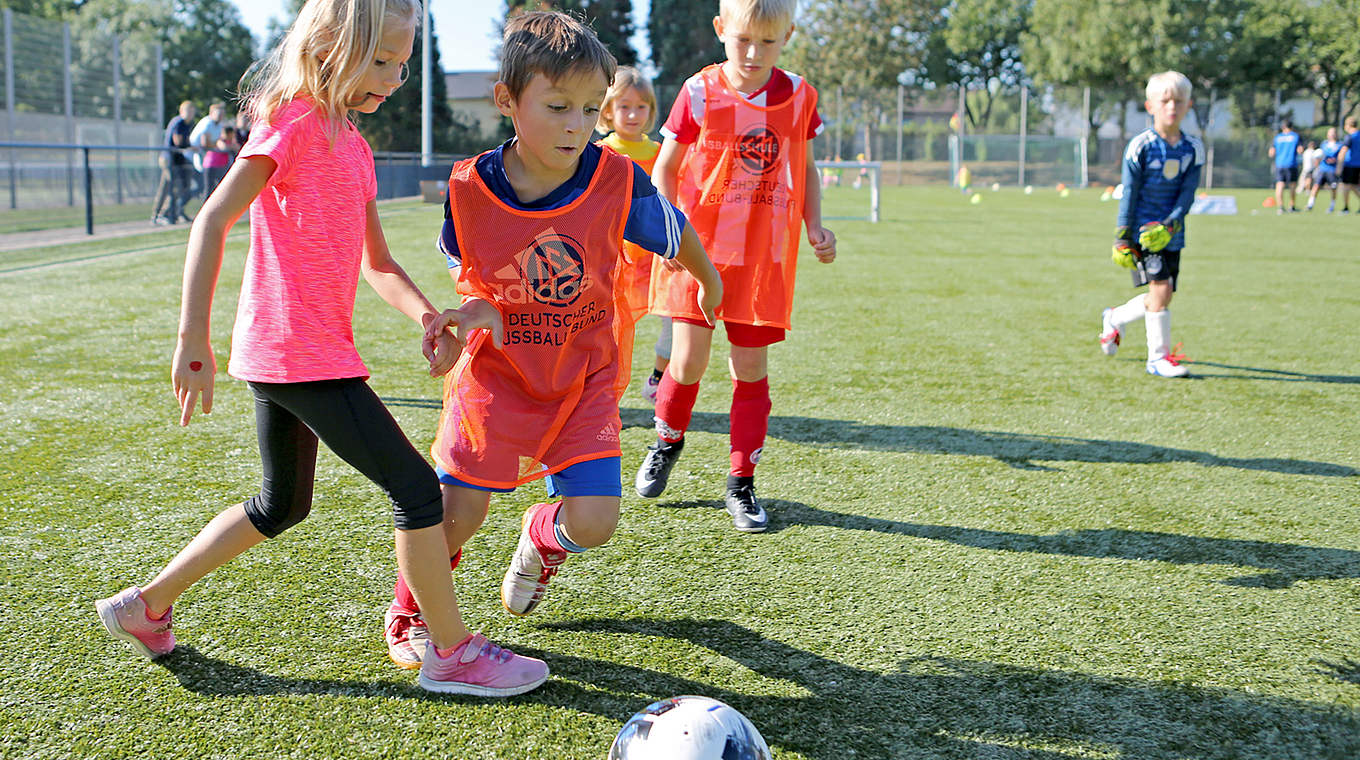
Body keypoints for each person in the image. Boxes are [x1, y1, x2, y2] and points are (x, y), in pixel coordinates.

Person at [95, 0, 548, 698]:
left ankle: (144, 606)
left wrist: (431, 317)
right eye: (382, 61)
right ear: (333, 46)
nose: (395, 78)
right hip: (296, 355)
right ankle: (451, 651)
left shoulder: (355, 146)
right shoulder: (294, 122)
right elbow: (212, 219)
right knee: (417, 490)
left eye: (402, 65)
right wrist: (192, 337)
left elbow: (379, 264)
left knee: (281, 505)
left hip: (299, 355)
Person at [379, 11, 722, 667]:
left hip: (582, 374)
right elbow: (468, 274)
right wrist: (464, 322)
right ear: (507, 101)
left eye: (591, 109)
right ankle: (409, 612)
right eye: (559, 105)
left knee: (595, 520)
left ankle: (542, 536)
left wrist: (708, 283)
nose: (578, 123)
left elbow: (676, 234)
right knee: (456, 514)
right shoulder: (469, 187)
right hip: (497, 377)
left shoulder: (617, 181)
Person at [633, 0, 836, 533]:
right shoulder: (698, 92)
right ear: (722, 29)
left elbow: (807, 169)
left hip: (764, 260)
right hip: (697, 255)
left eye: (767, 43)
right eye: (743, 39)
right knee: (687, 363)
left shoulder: (800, 96)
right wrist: (667, 233)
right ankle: (666, 441)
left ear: (787, 36)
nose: (753, 52)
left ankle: (741, 482)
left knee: (750, 370)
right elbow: (667, 169)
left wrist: (816, 226)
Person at [1098, 71, 1202, 379]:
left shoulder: (1194, 148)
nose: (1172, 106)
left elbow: (1188, 193)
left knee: (1163, 295)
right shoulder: (1140, 146)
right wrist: (1122, 236)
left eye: (1179, 101)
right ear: (1150, 105)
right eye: (1165, 100)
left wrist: (1171, 225)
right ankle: (1157, 359)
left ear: (1189, 105)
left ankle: (1114, 317)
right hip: (1144, 232)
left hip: (1172, 233)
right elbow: (1129, 192)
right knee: (1161, 288)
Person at [595, 65, 672, 406]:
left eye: (641, 107)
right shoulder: (596, 153)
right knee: (608, 332)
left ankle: (658, 380)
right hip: (613, 261)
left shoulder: (661, 155)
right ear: (608, 110)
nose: (632, 114)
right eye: (624, 106)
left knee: (674, 321)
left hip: (657, 260)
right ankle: (601, 396)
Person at [151, 101, 197, 225]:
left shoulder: (189, 124)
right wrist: (191, 146)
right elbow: (178, 142)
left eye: (192, 111)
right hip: (168, 158)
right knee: (169, 187)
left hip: (178, 160)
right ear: (182, 111)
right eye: (188, 111)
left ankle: (172, 212)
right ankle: (159, 215)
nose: (191, 114)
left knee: (180, 187)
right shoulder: (179, 122)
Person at [190, 102, 231, 200]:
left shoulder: (219, 125)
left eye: (222, 114)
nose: (221, 116)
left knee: (205, 187)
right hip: (193, 156)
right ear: (211, 113)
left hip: (205, 157)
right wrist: (215, 144)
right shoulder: (207, 123)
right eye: (218, 114)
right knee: (201, 186)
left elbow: (217, 142)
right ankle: (178, 207)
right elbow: (205, 143)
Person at [1268, 119, 1301, 214]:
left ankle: (1280, 207)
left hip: (1279, 164)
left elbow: (1271, 153)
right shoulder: (1295, 136)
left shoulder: (1277, 137)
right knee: (1292, 185)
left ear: (1283, 127)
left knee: (1280, 185)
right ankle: (1292, 206)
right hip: (1291, 164)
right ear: (1292, 127)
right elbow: (1300, 150)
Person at [1309, 127, 1342, 212]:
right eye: (1330, 133)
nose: (1331, 134)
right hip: (1322, 169)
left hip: (1332, 170)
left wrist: (1336, 162)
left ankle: (1332, 205)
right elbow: (1320, 156)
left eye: (1333, 132)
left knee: (1333, 188)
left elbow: (1340, 157)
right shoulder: (1324, 144)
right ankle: (1310, 204)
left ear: (1336, 134)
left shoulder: (1339, 145)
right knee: (1316, 186)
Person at [1336, 117, 1360, 213]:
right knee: (1354, 186)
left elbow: (1343, 151)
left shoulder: (1350, 136)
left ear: (1348, 125)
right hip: (1358, 165)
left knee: (1346, 186)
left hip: (1350, 164)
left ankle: (1346, 208)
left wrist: (1339, 167)